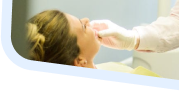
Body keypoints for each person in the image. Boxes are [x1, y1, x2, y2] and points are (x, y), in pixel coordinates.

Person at [26, 9, 160, 77]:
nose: (86, 20)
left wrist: (134, 40)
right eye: (83, 26)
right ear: (79, 60)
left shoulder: (109, 68)